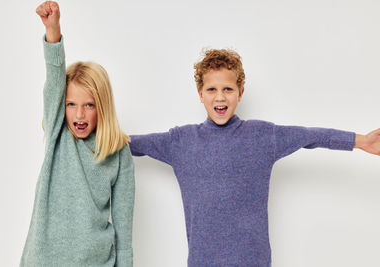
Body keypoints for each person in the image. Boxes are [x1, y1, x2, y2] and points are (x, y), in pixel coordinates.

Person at [129, 49, 380, 266]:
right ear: (200, 93)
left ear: (240, 92)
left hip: (254, 261)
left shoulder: (262, 136)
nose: (219, 97)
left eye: (228, 89)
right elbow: (132, 144)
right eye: (212, 89)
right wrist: (92, 136)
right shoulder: (181, 141)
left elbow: (309, 136)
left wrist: (360, 141)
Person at [20, 2, 134, 266]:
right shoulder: (59, 134)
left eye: (89, 105)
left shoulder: (118, 152)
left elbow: (124, 229)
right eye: (71, 105)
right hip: (43, 260)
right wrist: (53, 32)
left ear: (102, 106)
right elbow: (54, 78)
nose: (79, 115)